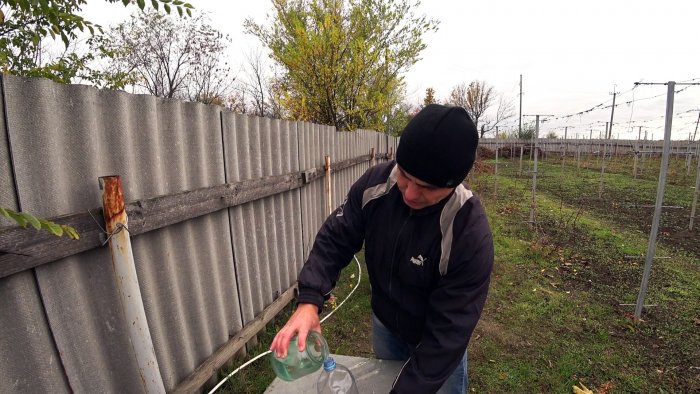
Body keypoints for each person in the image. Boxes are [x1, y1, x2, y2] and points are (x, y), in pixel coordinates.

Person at [270, 104, 494, 394]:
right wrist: (309, 301)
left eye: (426, 186)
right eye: (405, 175)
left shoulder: (467, 233)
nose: (410, 193)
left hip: (435, 342)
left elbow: (448, 334)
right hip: (386, 325)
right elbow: (335, 238)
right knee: (386, 379)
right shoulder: (376, 185)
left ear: (453, 184)